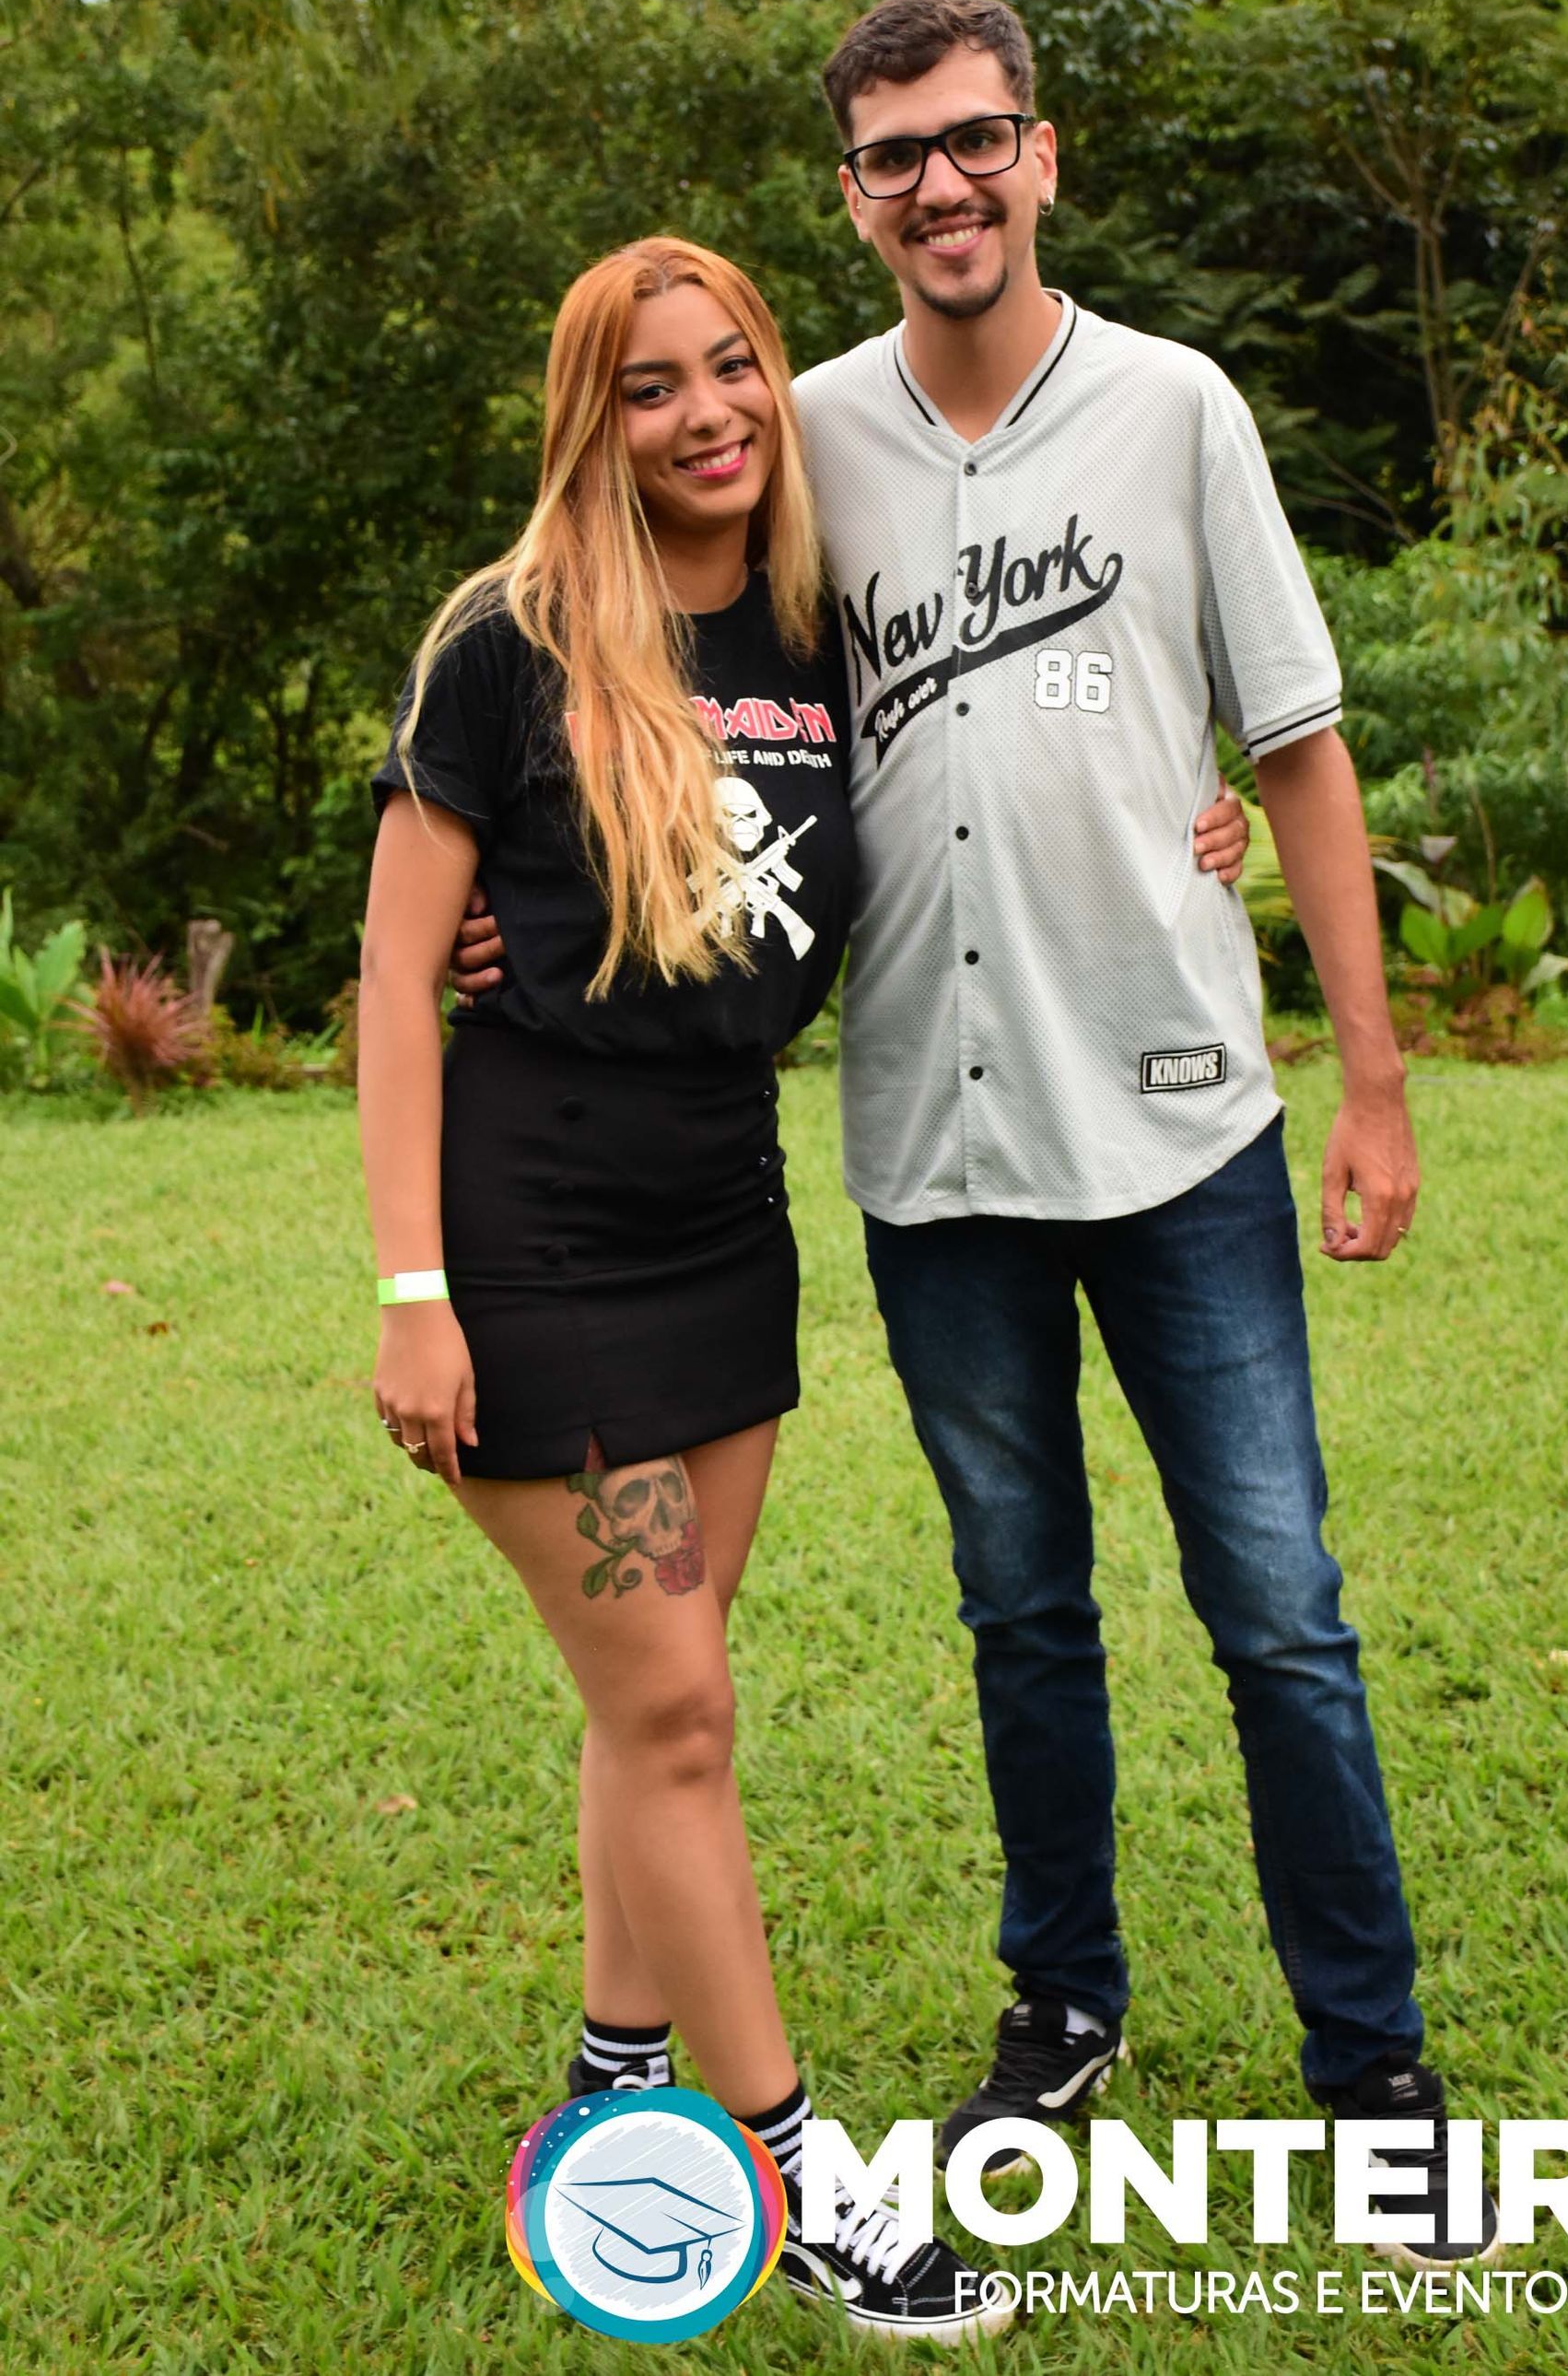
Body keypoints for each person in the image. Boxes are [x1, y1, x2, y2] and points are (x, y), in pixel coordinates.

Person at [457, 0, 1504, 2270]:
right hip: (934, 1145)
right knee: (1021, 1604)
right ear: (851, 195)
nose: (941, 182)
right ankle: (1063, 2004)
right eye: (894, 154)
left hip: (1181, 1118)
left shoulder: (1177, 407)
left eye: (976, 138)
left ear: (1045, 153)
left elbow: (1295, 742)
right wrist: (499, 905)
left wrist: (1374, 1073)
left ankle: (1375, 2070)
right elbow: (618, 660)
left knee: (1281, 1609)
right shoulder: (796, 434)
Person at [359, 236, 1064, 2343]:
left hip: (726, 1220)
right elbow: (395, 971)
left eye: (733, 364)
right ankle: (793, 2160)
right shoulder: (505, 642)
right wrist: (414, 1286)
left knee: (649, 1695)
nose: (706, 412)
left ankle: (615, 2071)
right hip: (537, 1233)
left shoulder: (813, 622)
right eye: (651, 383)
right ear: (596, 417)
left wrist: (1194, 823)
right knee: (676, 1705)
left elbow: (994, 783)